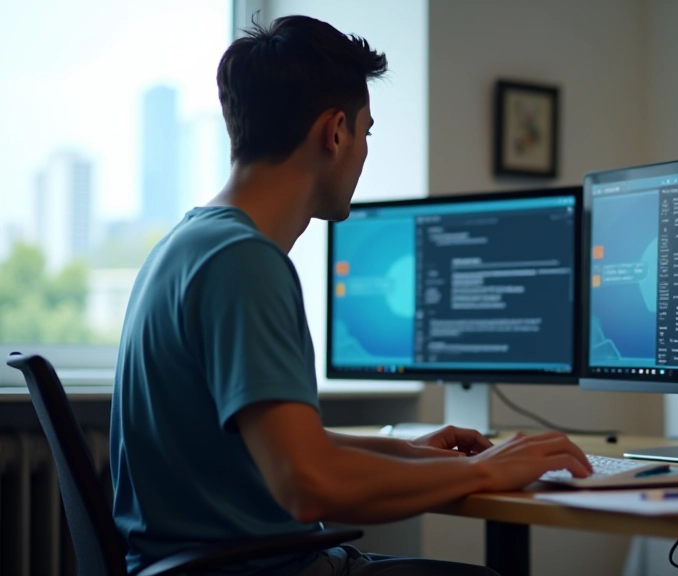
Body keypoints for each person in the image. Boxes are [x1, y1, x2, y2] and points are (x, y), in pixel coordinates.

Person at [109, 15, 592, 576]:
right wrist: (490, 471)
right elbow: (306, 485)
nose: (363, 151)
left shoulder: (192, 242)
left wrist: (407, 452)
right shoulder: (244, 261)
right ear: (334, 132)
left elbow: (284, 446)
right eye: (366, 132)